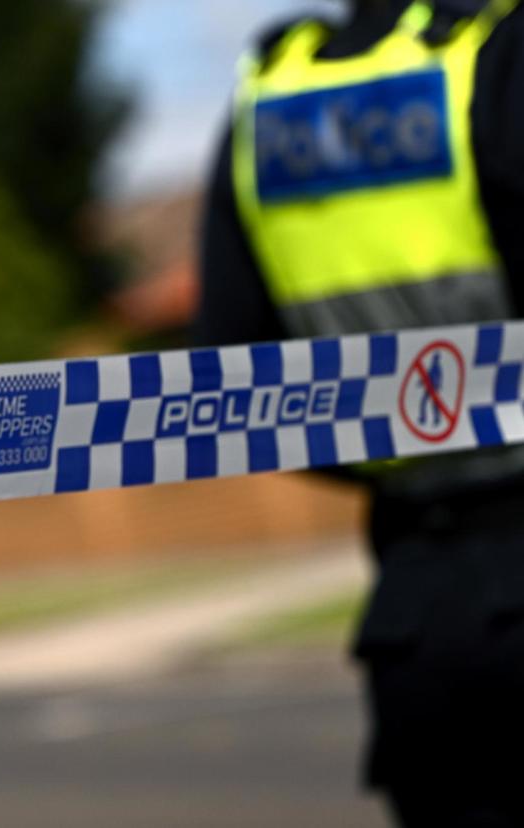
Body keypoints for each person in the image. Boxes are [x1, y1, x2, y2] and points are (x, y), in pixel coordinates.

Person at [198, 0, 524, 823]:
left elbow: (239, 387)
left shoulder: (268, 100)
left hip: (417, 609)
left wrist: (402, 437)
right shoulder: (499, 58)